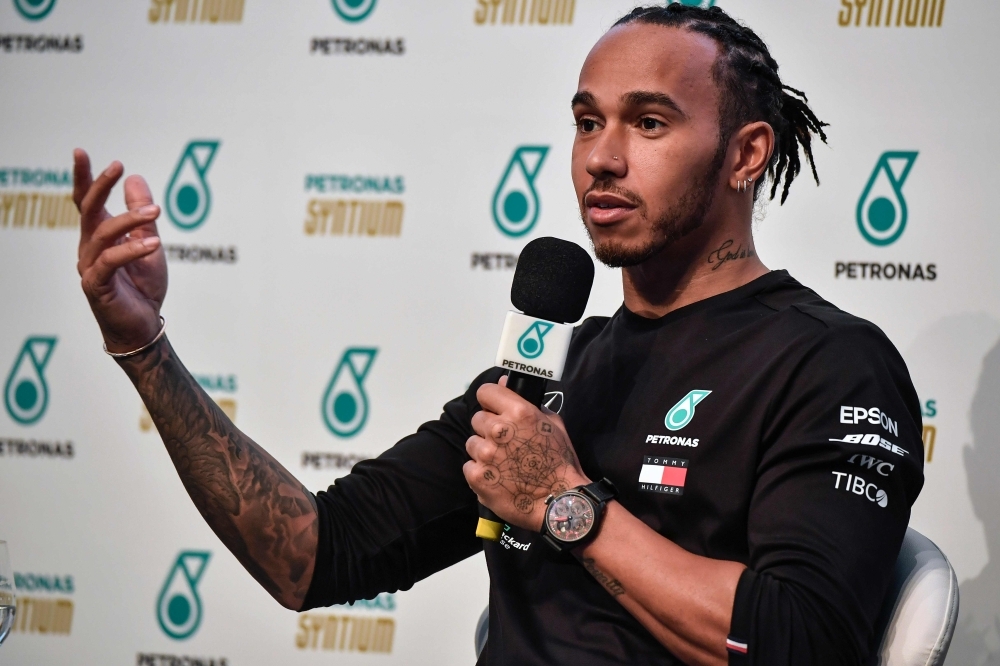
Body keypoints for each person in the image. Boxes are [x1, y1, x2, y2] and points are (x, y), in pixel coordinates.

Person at [71, 5, 924, 665]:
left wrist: (567, 505)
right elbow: (309, 556)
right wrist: (145, 349)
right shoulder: (549, 372)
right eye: (588, 122)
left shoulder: (830, 364)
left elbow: (805, 643)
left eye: (649, 123)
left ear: (747, 153)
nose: (602, 158)